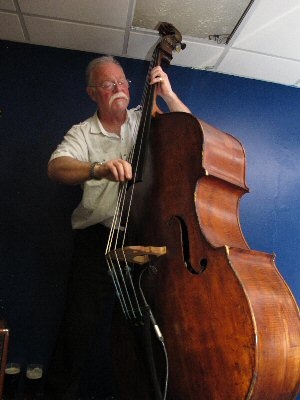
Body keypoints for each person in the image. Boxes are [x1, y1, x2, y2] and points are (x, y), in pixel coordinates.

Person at [44, 55, 191, 400]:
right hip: (98, 241)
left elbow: (191, 134)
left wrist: (167, 94)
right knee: (78, 325)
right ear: (92, 92)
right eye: (108, 84)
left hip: (146, 238)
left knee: (151, 328)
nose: (119, 89)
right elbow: (56, 168)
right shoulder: (82, 132)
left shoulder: (147, 120)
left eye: (123, 81)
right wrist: (98, 169)